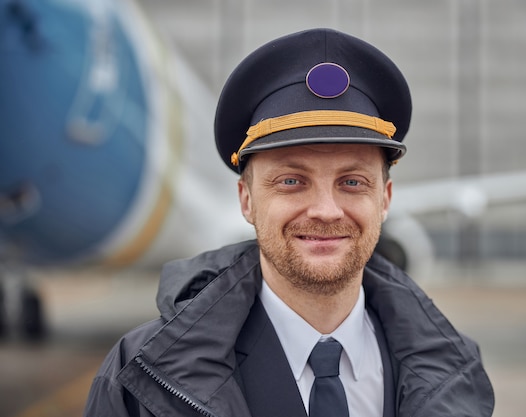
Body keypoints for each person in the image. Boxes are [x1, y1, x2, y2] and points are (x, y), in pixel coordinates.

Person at [84, 28, 494, 417]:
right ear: (247, 201)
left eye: (352, 182)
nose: (326, 210)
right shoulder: (136, 377)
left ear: (384, 200)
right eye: (292, 181)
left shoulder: (457, 369)